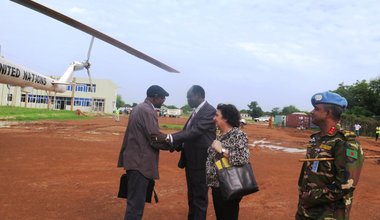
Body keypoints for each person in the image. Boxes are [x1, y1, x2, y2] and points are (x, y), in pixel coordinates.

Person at [296, 91, 364, 220]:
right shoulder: (316, 138)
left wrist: (311, 197)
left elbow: (346, 185)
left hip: (328, 214)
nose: (311, 112)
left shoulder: (345, 142)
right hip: (306, 211)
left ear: (328, 113)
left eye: (316, 109)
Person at [154, 85, 216, 220]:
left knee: (199, 197)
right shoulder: (195, 112)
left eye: (189, 97)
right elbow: (186, 134)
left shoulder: (209, 111)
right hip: (191, 161)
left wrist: (170, 137)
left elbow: (195, 132)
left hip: (201, 162)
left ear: (199, 95)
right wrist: (173, 143)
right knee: (192, 195)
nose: (187, 99)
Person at [117, 85, 172, 220]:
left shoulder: (137, 108)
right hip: (140, 163)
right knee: (136, 206)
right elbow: (154, 137)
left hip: (133, 161)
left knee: (134, 202)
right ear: (154, 97)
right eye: (162, 97)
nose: (164, 100)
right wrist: (172, 144)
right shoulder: (148, 111)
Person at [206, 104, 250, 220]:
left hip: (229, 185)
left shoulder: (238, 135)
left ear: (225, 118)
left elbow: (242, 158)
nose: (214, 118)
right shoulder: (221, 135)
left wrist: (222, 150)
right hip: (218, 185)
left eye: (217, 115)